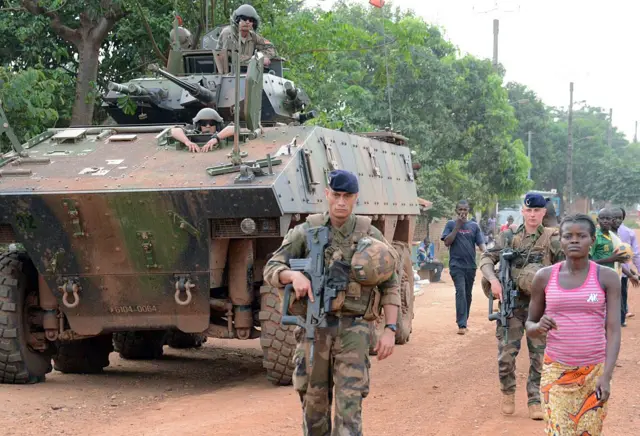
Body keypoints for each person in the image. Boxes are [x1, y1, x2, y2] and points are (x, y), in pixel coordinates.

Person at [263, 169, 400, 435]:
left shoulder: (369, 235)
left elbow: (390, 283)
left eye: (347, 196)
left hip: (353, 330)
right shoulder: (305, 232)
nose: (340, 201)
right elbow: (271, 267)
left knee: (349, 409)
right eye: (336, 194)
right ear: (327, 194)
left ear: (355, 198)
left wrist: (391, 330)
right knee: (313, 408)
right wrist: (292, 275)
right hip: (313, 330)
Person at [526, 214, 621, 436]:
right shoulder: (544, 277)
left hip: (594, 374)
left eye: (582, 236)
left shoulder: (607, 277)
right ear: (561, 240)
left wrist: (606, 376)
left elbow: (614, 329)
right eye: (568, 236)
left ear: (593, 240)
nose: (574, 240)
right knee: (559, 431)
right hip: (556, 372)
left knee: (589, 432)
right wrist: (539, 326)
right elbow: (529, 325)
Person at [479, 193, 563, 420]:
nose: (533, 214)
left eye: (537, 210)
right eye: (529, 210)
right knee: (506, 354)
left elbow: (566, 266)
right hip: (512, 305)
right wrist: (494, 280)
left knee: (539, 356)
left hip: (540, 308)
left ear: (543, 212)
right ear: (523, 211)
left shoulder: (552, 239)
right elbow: (486, 259)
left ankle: (535, 399)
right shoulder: (508, 237)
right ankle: (507, 392)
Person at [441, 200, 486, 335]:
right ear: (456, 211)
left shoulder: (474, 226)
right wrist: (457, 226)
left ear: (468, 210)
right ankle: (462, 324)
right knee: (460, 291)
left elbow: (481, 244)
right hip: (456, 265)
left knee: (467, 294)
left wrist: (487, 253)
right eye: (460, 209)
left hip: (471, 266)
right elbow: (447, 242)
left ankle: (464, 319)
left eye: (465, 209)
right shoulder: (450, 224)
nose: (463, 212)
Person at [215, 4, 276, 71]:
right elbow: (232, 57)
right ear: (237, 19)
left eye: (250, 20)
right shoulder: (228, 33)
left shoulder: (252, 36)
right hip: (227, 73)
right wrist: (257, 60)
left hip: (247, 73)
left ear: (253, 23)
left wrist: (260, 56)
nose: (247, 22)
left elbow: (270, 48)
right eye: (244, 18)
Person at [610, 207, 640, 326]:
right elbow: (636, 254)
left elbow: (635, 254)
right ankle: (619, 319)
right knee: (620, 294)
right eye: (615, 218)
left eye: (619, 218)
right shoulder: (605, 234)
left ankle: (621, 318)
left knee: (621, 294)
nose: (617, 220)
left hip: (622, 271)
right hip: (616, 270)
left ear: (623, 218)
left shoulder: (628, 233)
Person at [170, 108, 234, 153]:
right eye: (204, 123)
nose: (208, 126)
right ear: (198, 125)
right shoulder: (194, 133)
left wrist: (216, 138)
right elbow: (175, 130)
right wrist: (187, 142)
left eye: (212, 123)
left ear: (217, 125)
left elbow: (234, 128)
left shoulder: (224, 133)